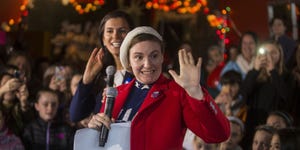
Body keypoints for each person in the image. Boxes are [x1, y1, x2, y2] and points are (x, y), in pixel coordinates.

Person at [87, 26, 230, 149]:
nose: (148, 64)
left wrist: (196, 92)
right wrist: (95, 127)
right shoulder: (115, 94)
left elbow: (218, 135)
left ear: (162, 57)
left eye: (154, 56)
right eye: (138, 57)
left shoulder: (177, 93)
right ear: (129, 62)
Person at [69, 10, 135, 122]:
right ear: (103, 39)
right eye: (109, 31)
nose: (115, 36)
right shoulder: (101, 76)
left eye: (122, 31)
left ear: (131, 36)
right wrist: (86, 81)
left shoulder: (141, 73)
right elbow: (75, 115)